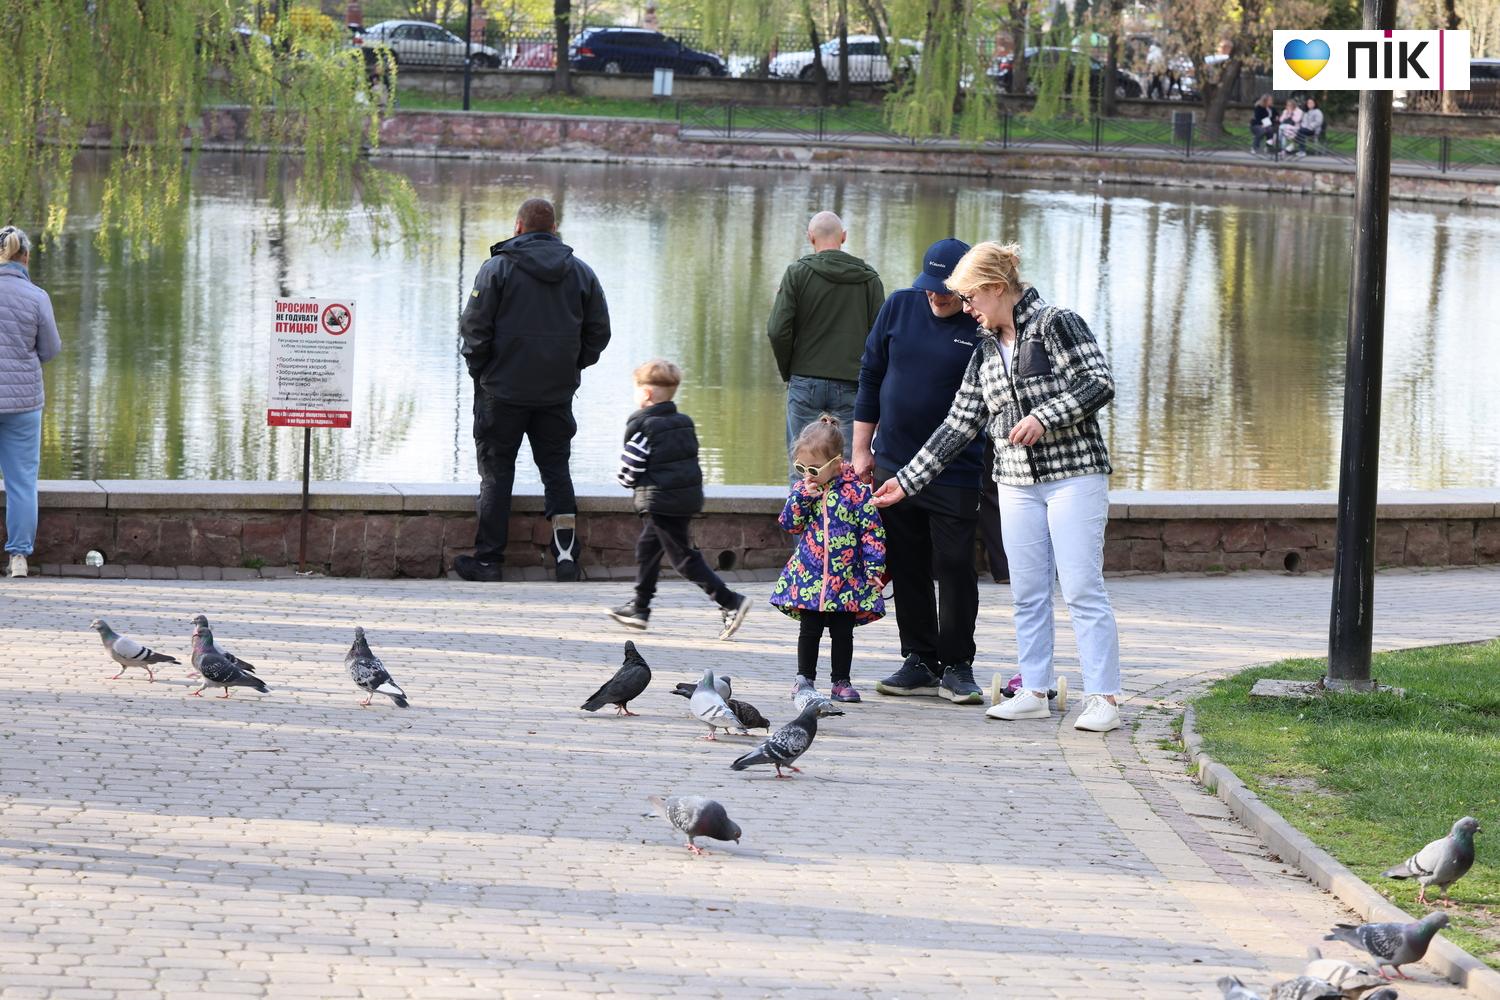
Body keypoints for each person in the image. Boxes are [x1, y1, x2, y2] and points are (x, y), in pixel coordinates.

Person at [872, 242, 1124, 733]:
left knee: (1080, 589)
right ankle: (1033, 689)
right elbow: (957, 426)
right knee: (1028, 592)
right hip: (1015, 483)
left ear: (994, 288)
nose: (967, 309)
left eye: (971, 298)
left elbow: (1098, 383)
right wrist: (903, 483)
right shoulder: (985, 349)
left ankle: (1104, 699)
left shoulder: (1057, 323)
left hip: (1074, 477)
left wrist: (1043, 417)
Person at [852, 237, 988, 706]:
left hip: (956, 469)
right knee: (906, 562)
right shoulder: (899, 307)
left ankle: (956, 665)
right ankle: (920, 660)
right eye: (929, 287)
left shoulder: (982, 327)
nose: (935, 296)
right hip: (893, 462)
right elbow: (871, 374)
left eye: (946, 289)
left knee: (953, 566)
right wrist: (861, 450)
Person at [457, 197, 610, 583]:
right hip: (555, 394)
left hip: (501, 393)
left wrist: (483, 371)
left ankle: (489, 561)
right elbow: (599, 333)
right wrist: (571, 366)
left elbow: (474, 330)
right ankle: (565, 560)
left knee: (496, 474)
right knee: (556, 472)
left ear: (518, 226)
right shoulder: (581, 273)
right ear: (554, 229)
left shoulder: (497, 269)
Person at [607, 359, 752, 640]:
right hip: (683, 499)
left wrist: (626, 482)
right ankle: (639, 608)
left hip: (660, 502)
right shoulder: (683, 422)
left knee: (684, 558)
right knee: (647, 551)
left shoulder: (644, 426)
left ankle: (730, 601)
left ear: (646, 394)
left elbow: (629, 468)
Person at [770, 415, 886, 703]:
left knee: (842, 632)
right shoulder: (803, 491)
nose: (806, 475)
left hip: (846, 578)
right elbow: (789, 524)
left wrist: (874, 567)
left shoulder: (856, 492)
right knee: (809, 629)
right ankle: (804, 679)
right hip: (810, 577)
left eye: (812, 468)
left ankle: (840, 681)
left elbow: (871, 531)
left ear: (835, 464)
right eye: (800, 468)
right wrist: (802, 499)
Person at [766, 211, 885, 486]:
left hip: (805, 381)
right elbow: (881, 341)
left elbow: (777, 330)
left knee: (802, 467)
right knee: (847, 468)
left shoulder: (797, 273)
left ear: (811, 238)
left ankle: (803, 529)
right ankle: (840, 528)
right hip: (854, 385)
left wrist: (791, 370)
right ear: (843, 237)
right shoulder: (869, 280)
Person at [0, 226, 61, 581]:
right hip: (23, 403)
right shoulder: (36, 296)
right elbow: (50, 349)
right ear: (25, 256)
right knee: (22, 481)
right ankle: (19, 558)